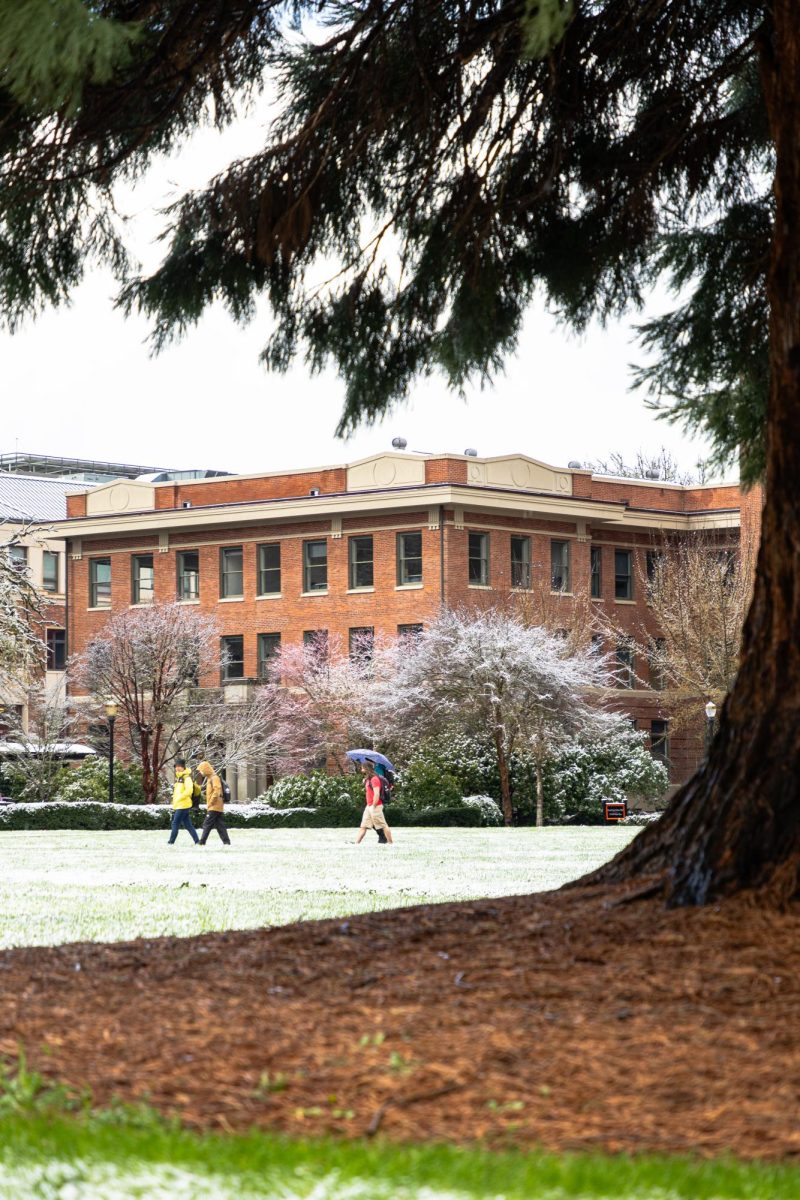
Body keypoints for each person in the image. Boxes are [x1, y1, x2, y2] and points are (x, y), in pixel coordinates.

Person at [355, 761, 394, 845]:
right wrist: (365, 781)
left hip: (375, 805)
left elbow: (377, 794)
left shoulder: (374, 779)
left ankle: (391, 843)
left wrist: (374, 806)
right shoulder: (368, 779)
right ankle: (356, 844)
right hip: (369, 806)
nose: (361, 769)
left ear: (366, 768)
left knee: (383, 825)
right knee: (363, 826)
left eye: (362, 767)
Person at [196, 759, 231, 846]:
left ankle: (202, 842)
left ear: (206, 769)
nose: (201, 772)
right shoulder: (210, 778)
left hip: (214, 806)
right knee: (220, 826)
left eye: (201, 770)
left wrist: (211, 802)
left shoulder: (214, 778)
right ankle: (226, 842)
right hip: (217, 806)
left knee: (207, 824)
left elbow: (217, 791)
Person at [168, 757, 199, 845]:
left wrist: (180, 797)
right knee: (188, 825)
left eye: (180, 766)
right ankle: (197, 841)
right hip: (180, 804)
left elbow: (189, 790)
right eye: (176, 766)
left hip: (183, 804)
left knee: (175, 823)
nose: (177, 768)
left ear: (184, 767)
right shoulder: (179, 778)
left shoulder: (186, 778)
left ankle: (171, 842)